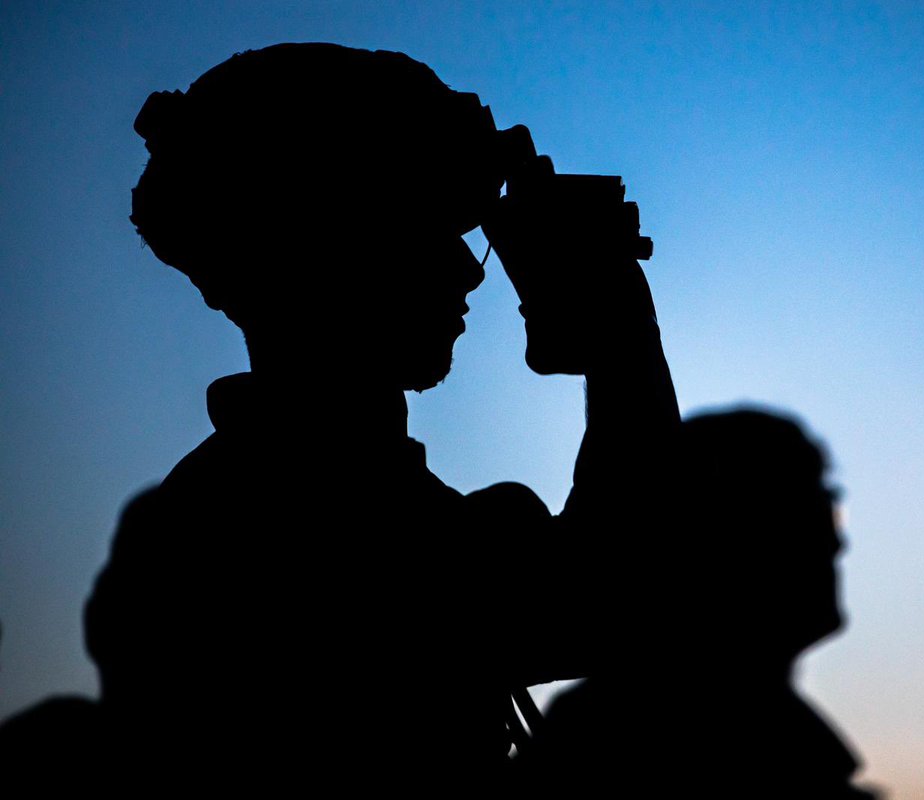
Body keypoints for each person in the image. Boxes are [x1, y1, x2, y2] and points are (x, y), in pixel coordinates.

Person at [4, 43, 680, 790]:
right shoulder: (301, 517)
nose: (469, 270)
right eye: (432, 231)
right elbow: (625, 595)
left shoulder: (265, 498)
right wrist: (621, 330)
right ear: (335, 250)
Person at [526, 409, 878, 798]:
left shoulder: (599, 729)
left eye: (830, 509)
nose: (837, 544)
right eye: (810, 513)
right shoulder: (608, 739)